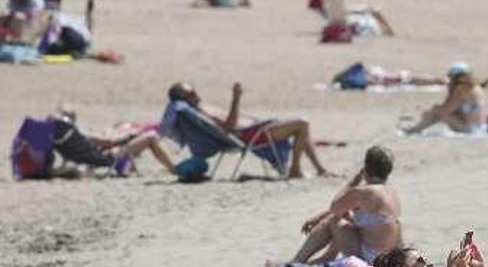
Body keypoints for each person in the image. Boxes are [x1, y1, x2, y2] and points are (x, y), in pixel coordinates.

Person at [267, 146, 402, 267]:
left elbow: (335, 206)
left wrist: (353, 181)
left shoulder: (365, 192)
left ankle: (297, 261)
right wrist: (318, 217)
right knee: (343, 218)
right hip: (386, 255)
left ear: (366, 167)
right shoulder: (389, 192)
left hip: (370, 257)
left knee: (334, 220)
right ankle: (324, 257)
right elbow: (344, 208)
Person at [163, 81, 331, 178]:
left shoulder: (201, 107)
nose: (196, 95)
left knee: (301, 127)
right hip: (251, 136)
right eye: (191, 94)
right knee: (302, 124)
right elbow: (229, 126)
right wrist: (236, 98)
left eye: (194, 91)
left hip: (255, 130)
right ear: (184, 99)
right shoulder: (201, 111)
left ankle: (320, 169)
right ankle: (296, 170)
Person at [48, 106, 177, 176]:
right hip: (105, 158)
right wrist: (132, 135)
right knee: (151, 136)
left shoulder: (58, 136)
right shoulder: (76, 132)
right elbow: (108, 142)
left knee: (119, 127)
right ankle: (175, 169)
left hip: (87, 158)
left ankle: (131, 165)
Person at [401, 62, 486, 133]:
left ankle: (414, 129)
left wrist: (429, 114)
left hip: (470, 129)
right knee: (437, 110)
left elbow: (446, 109)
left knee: (437, 110)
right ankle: (415, 129)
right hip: (477, 127)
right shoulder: (474, 87)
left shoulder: (461, 89)